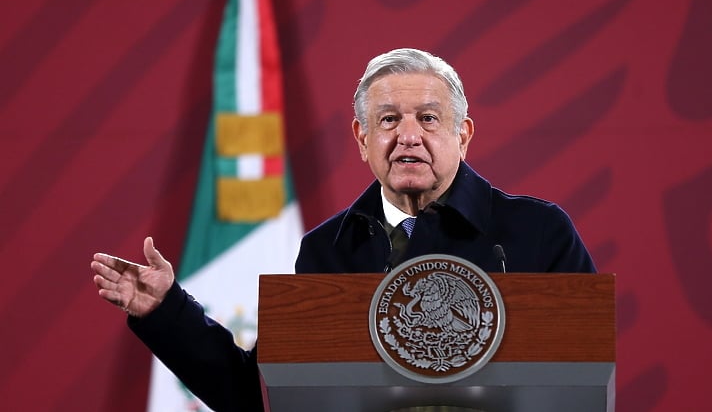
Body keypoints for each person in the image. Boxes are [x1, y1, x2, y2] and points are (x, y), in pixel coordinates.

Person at [91, 48, 596, 411]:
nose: (408, 136)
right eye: (389, 120)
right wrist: (167, 311)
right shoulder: (329, 249)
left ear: (462, 135)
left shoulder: (536, 232)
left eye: (428, 118)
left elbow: (585, 376)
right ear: (362, 138)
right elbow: (264, 393)